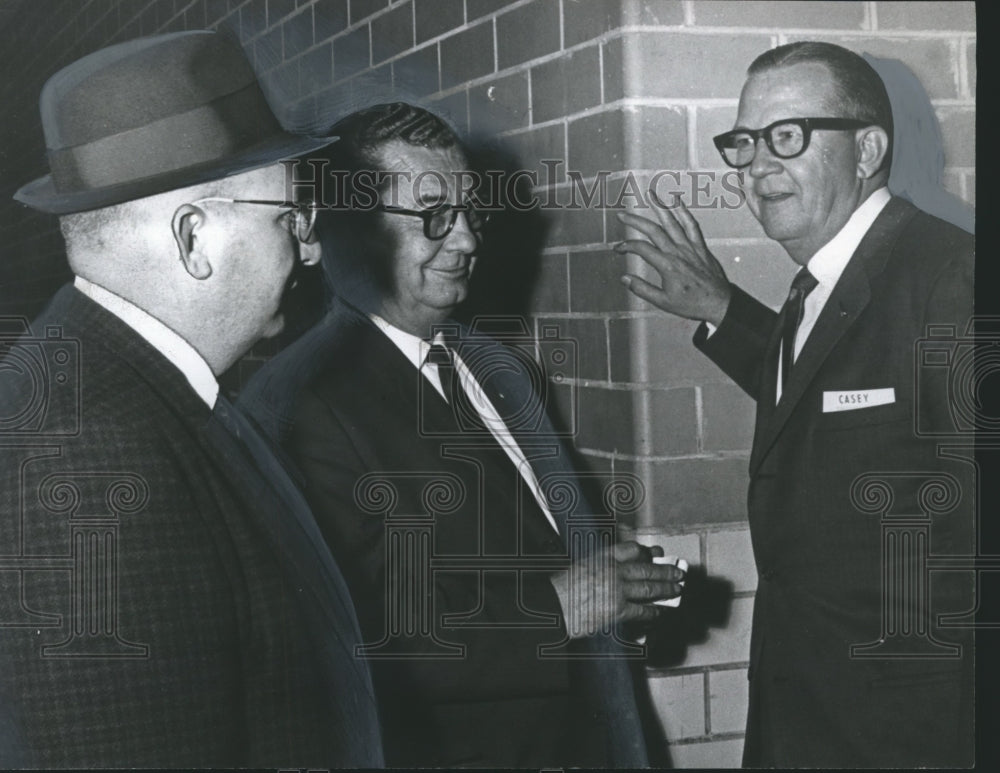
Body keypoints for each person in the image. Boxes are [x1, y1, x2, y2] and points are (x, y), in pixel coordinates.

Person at [238, 102, 685, 768]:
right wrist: (555, 610)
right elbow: (348, 650)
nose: (469, 240)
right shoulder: (294, 405)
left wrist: (614, 588)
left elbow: (539, 556)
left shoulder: (499, 365)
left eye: (472, 212)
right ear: (353, 229)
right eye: (433, 218)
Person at [0, 31, 383, 767]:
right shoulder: (84, 448)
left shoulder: (139, 385)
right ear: (193, 238)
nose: (310, 250)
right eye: (289, 217)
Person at [617, 41, 974, 768]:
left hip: (914, 732)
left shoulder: (951, 276)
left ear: (868, 147)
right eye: (745, 143)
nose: (756, 166)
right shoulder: (819, 285)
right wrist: (722, 308)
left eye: (787, 136)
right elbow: (838, 408)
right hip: (804, 713)